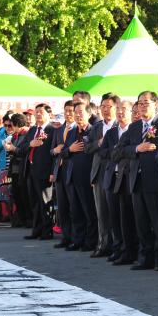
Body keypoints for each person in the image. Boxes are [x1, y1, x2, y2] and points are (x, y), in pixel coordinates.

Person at [115, 91, 158, 271]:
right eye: (140, 103)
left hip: (155, 179)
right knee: (141, 222)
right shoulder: (134, 127)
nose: (143, 106)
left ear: (156, 104)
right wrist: (138, 148)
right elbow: (120, 150)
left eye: (147, 102)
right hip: (136, 179)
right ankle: (145, 257)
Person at [104, 99, 138, 265]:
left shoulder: (134, 130)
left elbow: (131, 152)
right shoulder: (111, 132)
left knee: (127, 217)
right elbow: (104, 152)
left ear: (132, 111)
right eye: (118, 109)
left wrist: (120, 151)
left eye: (124, 109)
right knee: (114, 216)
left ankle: (129, 249)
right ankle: (118, 247)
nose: (120, 112)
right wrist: (118, 151)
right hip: (112, 176)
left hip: (127, 177)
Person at [61, 102, 98, 252]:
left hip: (87, 177)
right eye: (75, 112)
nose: (77, 115)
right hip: (72, 177)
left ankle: (90, 242)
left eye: (80, 112)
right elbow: (62, 153)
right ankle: (78, 240)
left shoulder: (93, 131)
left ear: (89, 114)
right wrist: (70, 149)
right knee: (75, 211)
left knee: (89, 211)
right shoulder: (71, 132)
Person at [16, 104, 56, 240]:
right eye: (36, 112)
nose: (38, 114)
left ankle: (47, 231)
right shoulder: (33, 130)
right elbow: (20, 149)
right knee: (34, 202)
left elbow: (54, 154)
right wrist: (30, 144)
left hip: (45, 171)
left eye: (41, 112)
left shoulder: (53, 130)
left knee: (45, 202)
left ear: (49, 115)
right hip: (30, 171)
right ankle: (37, 230)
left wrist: (52, 172)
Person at [86, 94, 118, 257]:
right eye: (103, 106)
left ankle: (116, 245)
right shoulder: (97, 127)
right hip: (99, 172)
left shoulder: (121, 126)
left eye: (109, 106)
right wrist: (97, 143)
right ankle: (103, 244)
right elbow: (87, 147)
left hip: (115, 172)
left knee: (115, 210)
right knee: (101, 212)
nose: (105, 110)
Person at [51, 104, 74, 248]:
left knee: (74, 206)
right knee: (63, 207)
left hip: (73, 171)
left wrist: (65, 149)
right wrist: (55, 150)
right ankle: (66, 236)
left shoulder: (77, 129)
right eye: (66, 111)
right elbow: (51, 151)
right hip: (59, 171)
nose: (68, 113)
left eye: (71, 111)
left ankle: (76, 237)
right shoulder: (59, 130)